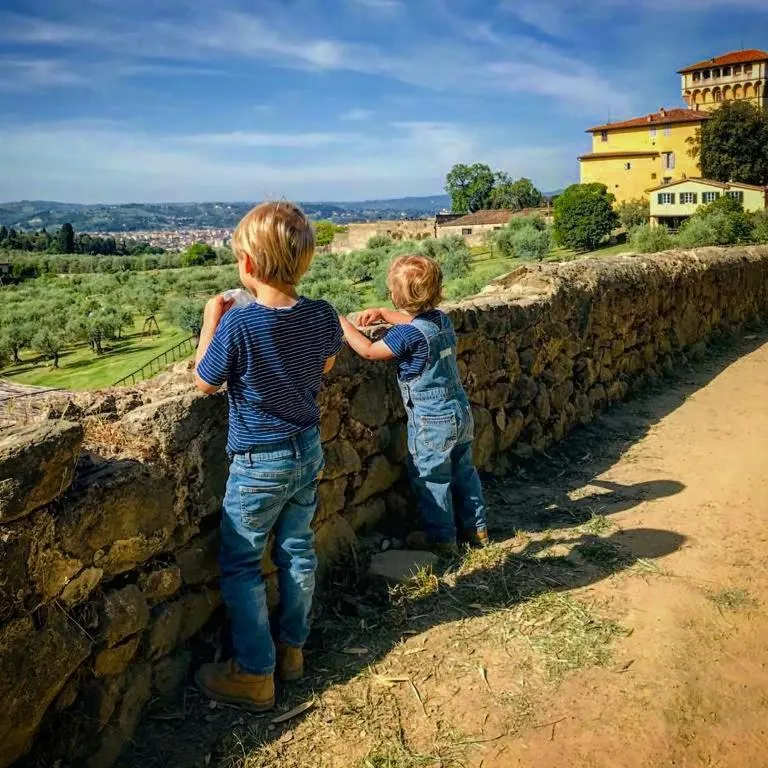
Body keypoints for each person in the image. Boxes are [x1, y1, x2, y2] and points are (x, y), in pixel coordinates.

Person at [193, 201, 341, 712]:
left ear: (248, 266)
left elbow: (205, 380)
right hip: (307, 448)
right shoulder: (322, 314)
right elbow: (323, 362)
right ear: (305, 261)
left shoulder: (239, 325)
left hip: (260, 460)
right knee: (298, 549)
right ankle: (292, 651)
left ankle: (255, 674)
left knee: (239, 564)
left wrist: (212, 319)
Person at [339, 254, 488, 556]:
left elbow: (369, 351)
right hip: (460, 412)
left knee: (431, 479)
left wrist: (341, 324)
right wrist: (384, 313)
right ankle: (477, 529)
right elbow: (415, 322)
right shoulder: (441, 321)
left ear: (397, 294)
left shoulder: (408, 335)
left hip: (431, 422)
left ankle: (442, 539)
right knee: (464, 472)